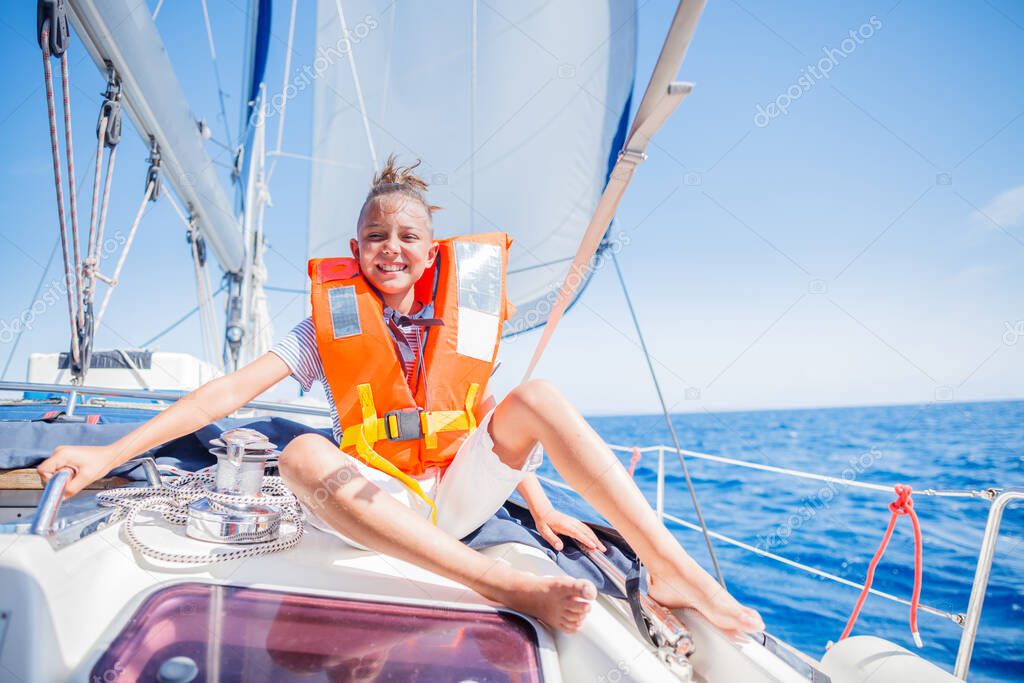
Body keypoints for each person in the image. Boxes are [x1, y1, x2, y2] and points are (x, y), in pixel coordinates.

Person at [38, 156, 763, 636]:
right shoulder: (325, 328)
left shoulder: (461, 315)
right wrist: (107, 454)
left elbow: (475, 408)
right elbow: (225, 393)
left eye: (407, 235)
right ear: (355, 252)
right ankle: (501, 585)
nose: (391, 245)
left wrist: (539, 505)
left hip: (460, 490)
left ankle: (673, 567)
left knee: (536, 393)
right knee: (302, 452)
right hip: (382, 498)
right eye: (374, 235)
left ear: (432, 248)